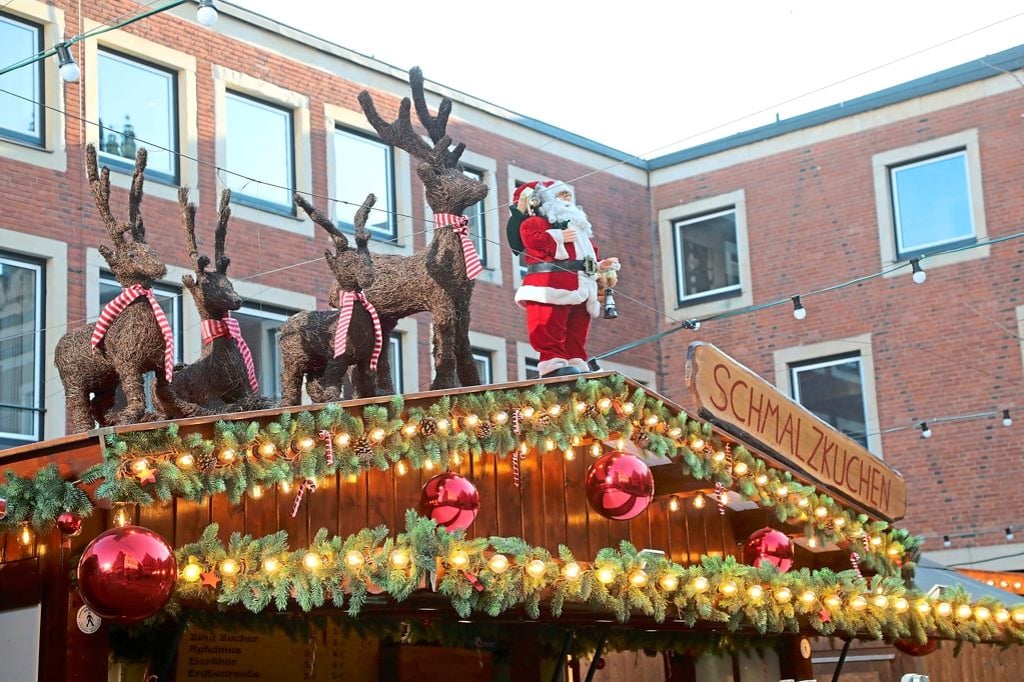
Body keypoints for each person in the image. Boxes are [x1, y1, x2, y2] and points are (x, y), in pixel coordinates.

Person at [511, 181, 620, 377]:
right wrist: (558, 237)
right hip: (551, 286)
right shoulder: (535, 223)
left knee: (576, 330)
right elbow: (532, 241)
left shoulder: (581, 232)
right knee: (550, 326)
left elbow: (589, 256)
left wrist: (601, 265)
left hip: (582, 287)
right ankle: (552, 362)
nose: (566, 201)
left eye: (568, 196)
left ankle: (575, 359)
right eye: (560, 196)